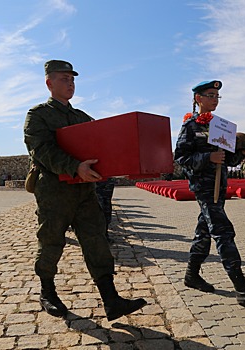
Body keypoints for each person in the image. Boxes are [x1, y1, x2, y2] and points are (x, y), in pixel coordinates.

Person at [23, 59, 146, 320]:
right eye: (64, 79)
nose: (70, 83)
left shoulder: (81, 117)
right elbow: (42, 151)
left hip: (84, 191)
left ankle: (111, 299)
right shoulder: (38, 115)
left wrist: (128, 161)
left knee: (96, 240)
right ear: (49, 83)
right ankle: (47, 291)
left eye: (73, 79)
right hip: (54, 191)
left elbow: (103, 145)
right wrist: (74, 166)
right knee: (51, 241)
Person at [174, 80, 245, 303]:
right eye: (210, 95)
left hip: (218, 186)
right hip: (204, 188)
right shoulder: (191, 126)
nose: (215, 99)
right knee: (223, 232)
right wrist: (208, 157)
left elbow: (226, 160)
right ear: (198, 98)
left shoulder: (221, 126)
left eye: (217, 96)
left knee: (204, 232)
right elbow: (181, 158)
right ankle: (241, 285)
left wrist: (243, 155)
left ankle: (191, 275)